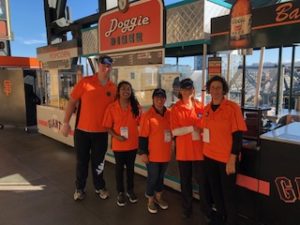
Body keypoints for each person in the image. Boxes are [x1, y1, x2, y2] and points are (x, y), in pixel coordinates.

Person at [61, 55, 116, 201]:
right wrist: (65, 123)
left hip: (101, 133)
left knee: (99, 163)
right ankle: (80, 188)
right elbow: (72, 102)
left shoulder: (113, 88)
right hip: (82, 132)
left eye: (109, 65)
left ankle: (99, 187)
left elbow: (116, 110)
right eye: (103, 65)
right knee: (82, 162)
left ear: (111, 67)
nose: (106, 68)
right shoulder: (85, 82)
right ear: (98, 65)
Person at [202, 76, 247, 225]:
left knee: (229, 194)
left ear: (224, 90)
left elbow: (238, 135)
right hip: (209, 157)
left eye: (218, 87)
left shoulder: (232, 108)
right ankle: (221, 218)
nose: (215, 90)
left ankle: (231, 221)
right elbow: (204, 130)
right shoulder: (206, 109)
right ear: (209, 90)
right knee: (216, 192)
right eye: (213, 87)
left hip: (226, 159)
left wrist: (232, 159)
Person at [170, 78, 212, 219]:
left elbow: (206, 125)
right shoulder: (175, 108)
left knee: (203, 182)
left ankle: (206, 210)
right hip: (183, 152)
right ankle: (187, 209)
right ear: (180, 91)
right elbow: (174, 132)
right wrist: (190, 128)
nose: (188, 91)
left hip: (200, 152)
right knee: (185, 182)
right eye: (185, 89)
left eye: (190, 88)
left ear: (193, 90)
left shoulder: (201, 106)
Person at [102, 81, 141, 207]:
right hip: (119, 144)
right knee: (119, 169)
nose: (126, 91)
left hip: (132, 144)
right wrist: (117, 136)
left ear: (131, 91)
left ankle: (130, 190)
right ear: (118, 91)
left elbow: (141, 123)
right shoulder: (112, 107)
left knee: (130, 169)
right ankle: (120, 192)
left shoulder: (136, 106)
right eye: (123, 89)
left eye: (128, 89)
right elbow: (107, 127)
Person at [138, 88, 172, 214]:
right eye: (157, 97)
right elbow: (142, 136)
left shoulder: (169, 114)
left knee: (161, 177)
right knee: (153, 178)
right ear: (153, 99)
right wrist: (143, 152)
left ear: (165, 99)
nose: (159, 100)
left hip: (165, 153)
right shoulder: (148, 115)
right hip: (152, 155)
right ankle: (150, 200)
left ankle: (159, 198)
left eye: (162, 97)